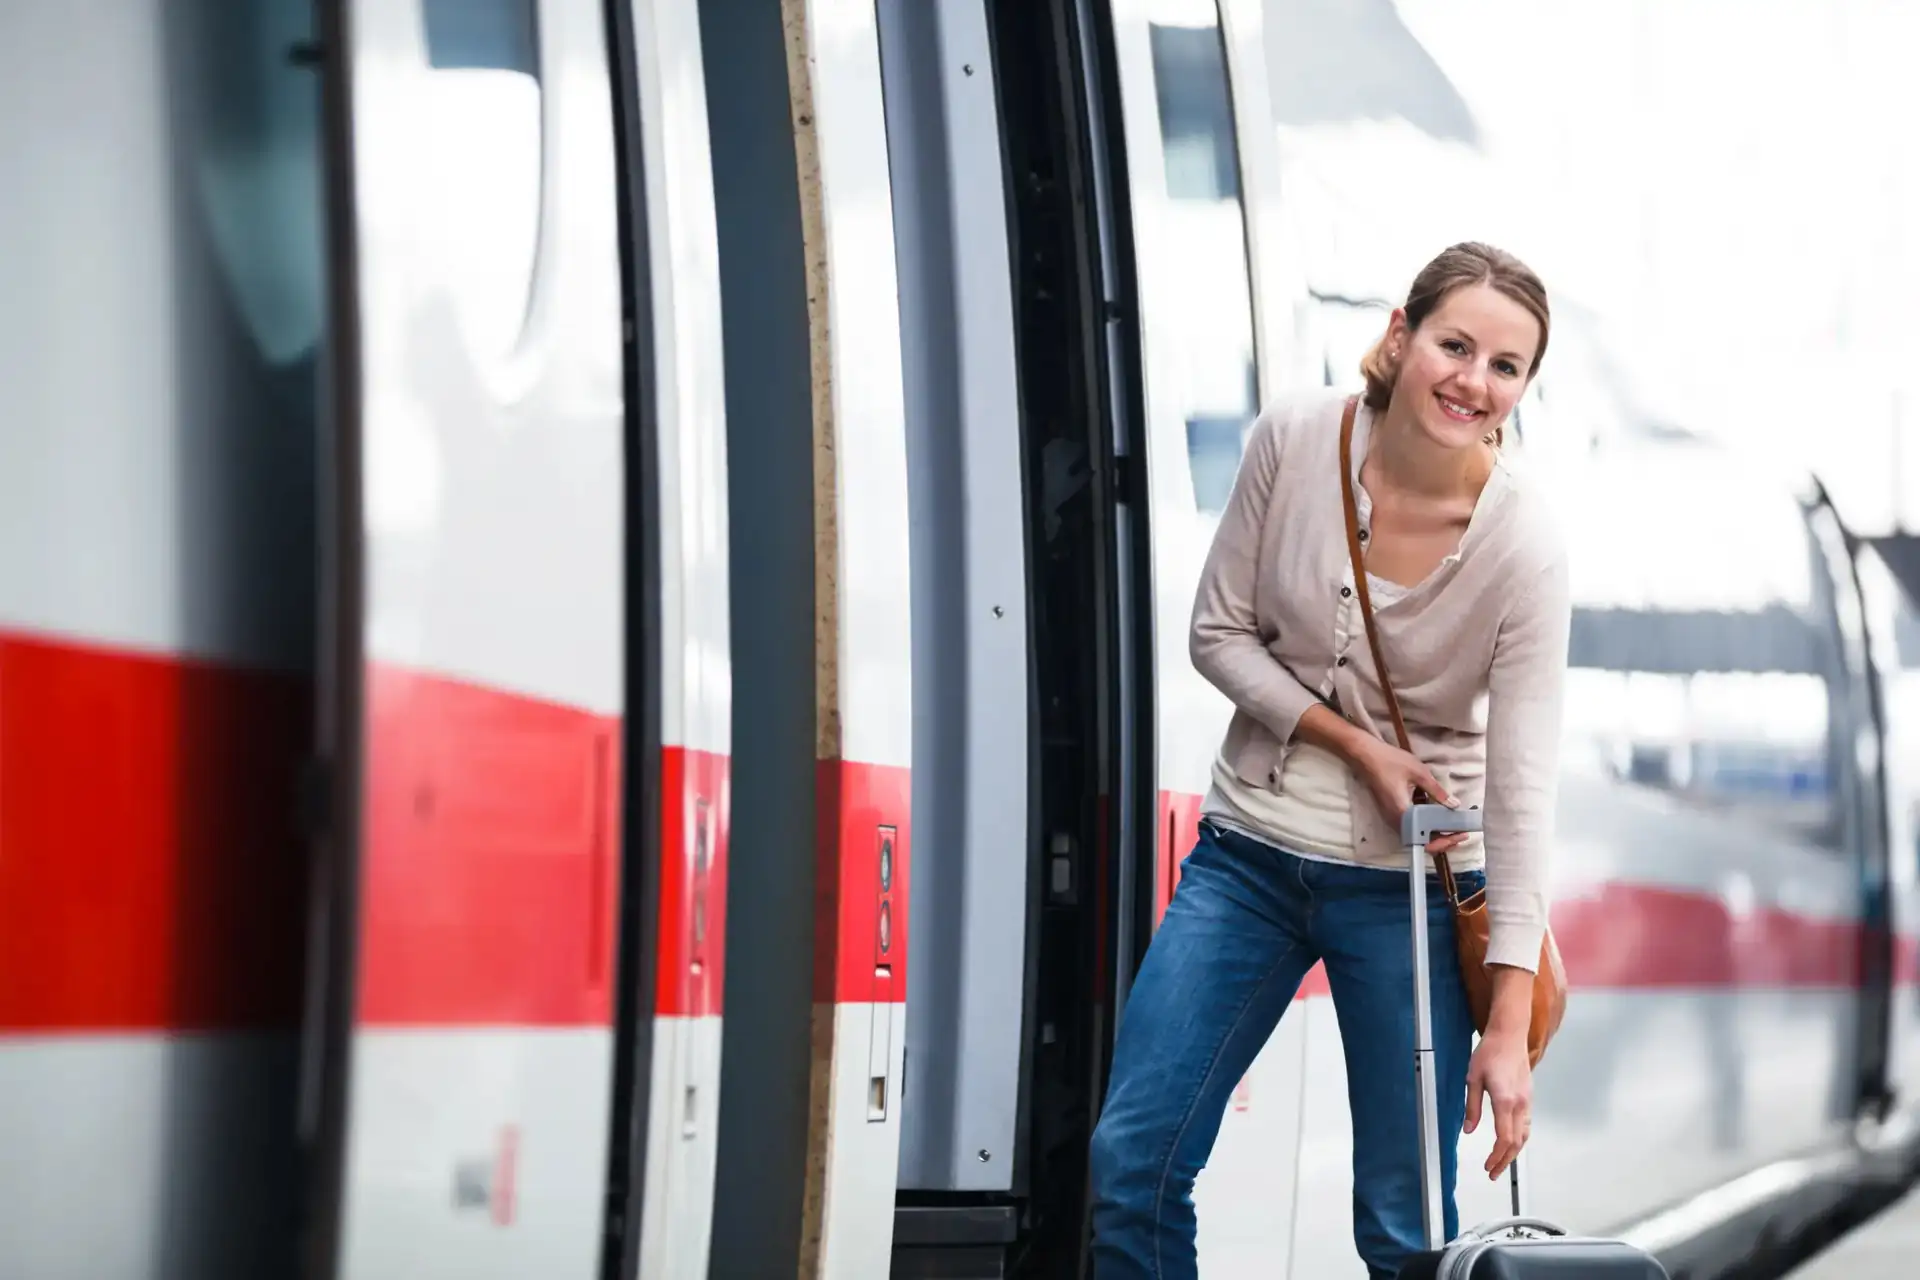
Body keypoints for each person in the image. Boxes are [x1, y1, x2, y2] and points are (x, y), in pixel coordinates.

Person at [1087, 242, 1572, 1279]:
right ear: (1401, 334)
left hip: (1410, 892)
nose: (1472, 380)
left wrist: (1508, 1023)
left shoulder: (1523, 542)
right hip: (1246, 860)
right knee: (1132, 1163)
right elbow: (1217, 633)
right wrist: (1353, 744)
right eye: (1454, 344)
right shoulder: (1297, 437)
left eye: (1505, 365)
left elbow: (1522, 794)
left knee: (1403, 1224)